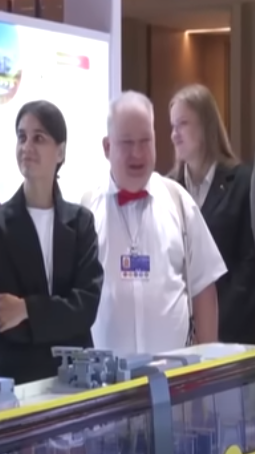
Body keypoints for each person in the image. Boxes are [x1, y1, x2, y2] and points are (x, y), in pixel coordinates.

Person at [81, 91, 225, 353]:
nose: (137, 153)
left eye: (145, 141)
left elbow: (204, 288)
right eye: (127, 142)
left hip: (176, 374)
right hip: (107, 376)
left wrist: (207, 363)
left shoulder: (179, 201)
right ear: (107, 147)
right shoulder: (86, 211)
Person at [0, 100, 103, 384]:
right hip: (17, 376)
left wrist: (26, 309)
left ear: (60, 151)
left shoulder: (81, 222)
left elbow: (86, 307)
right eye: (22, 137)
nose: (27, 146)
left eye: (38, 138)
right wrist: (61, 315)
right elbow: (7, 318)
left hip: (75, 375)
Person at [169, 84, 255, 343]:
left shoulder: (244, 182)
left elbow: (248, 265)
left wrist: (210, 324)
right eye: (172, 126)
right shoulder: (167, 190)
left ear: (206, 126)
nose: (174, 135)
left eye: (183, 124)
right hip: (178, 342)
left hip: (233, 336)